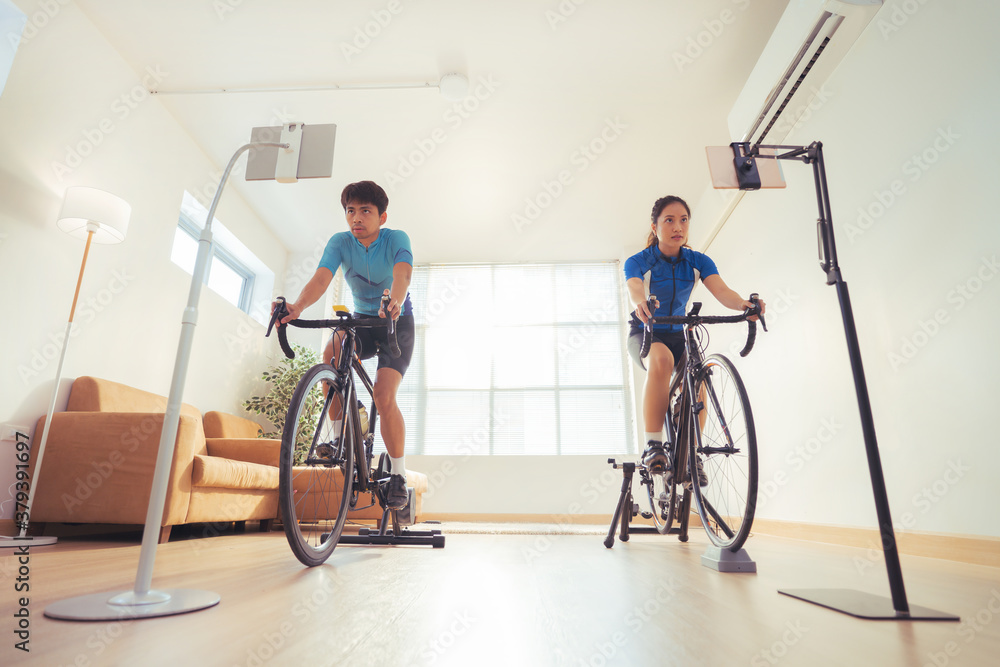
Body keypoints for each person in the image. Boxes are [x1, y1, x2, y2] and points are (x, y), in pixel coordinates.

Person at [278, 180, 414, 509]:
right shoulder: (340, 243)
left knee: (384, 395)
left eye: (365, 211)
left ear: (381, 217)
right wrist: (296, 307)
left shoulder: (396, 238)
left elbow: (402, 276)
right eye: (351, 211)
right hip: (361, 320)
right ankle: (341, 438)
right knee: (330, 355)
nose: (356, 218)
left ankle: (398, 475)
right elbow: (322, 278)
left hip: (395, 320)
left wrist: (393, 302)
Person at [624, 195, 764, 485]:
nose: (678, 227)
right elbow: (635, 286)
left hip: (679, 332)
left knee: (699, 375)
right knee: (661, 361)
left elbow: (723, 292)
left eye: (684, 220)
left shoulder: (698, 261)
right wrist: (641, 303)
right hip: (647, 332)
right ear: (655, 226)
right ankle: (653, 446)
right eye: (669, 220)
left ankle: (690, 454)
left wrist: (744, 307)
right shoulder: (639, 261)